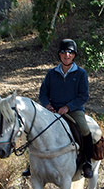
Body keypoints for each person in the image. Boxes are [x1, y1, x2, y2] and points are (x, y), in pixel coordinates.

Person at [24, 38, 94, 178]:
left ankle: (86, 162)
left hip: (73, 110)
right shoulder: (51, 74)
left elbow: (83, 96)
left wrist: (68, 107)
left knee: (84, 129)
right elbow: (43, 93)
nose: (66, 55)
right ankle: (31, 164)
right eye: (63, 52)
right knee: (34, 130)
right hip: (52, 111)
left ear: (74, 55)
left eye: (70, 52)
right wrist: (47, 105)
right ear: (59, 54)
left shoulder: (81, 73)